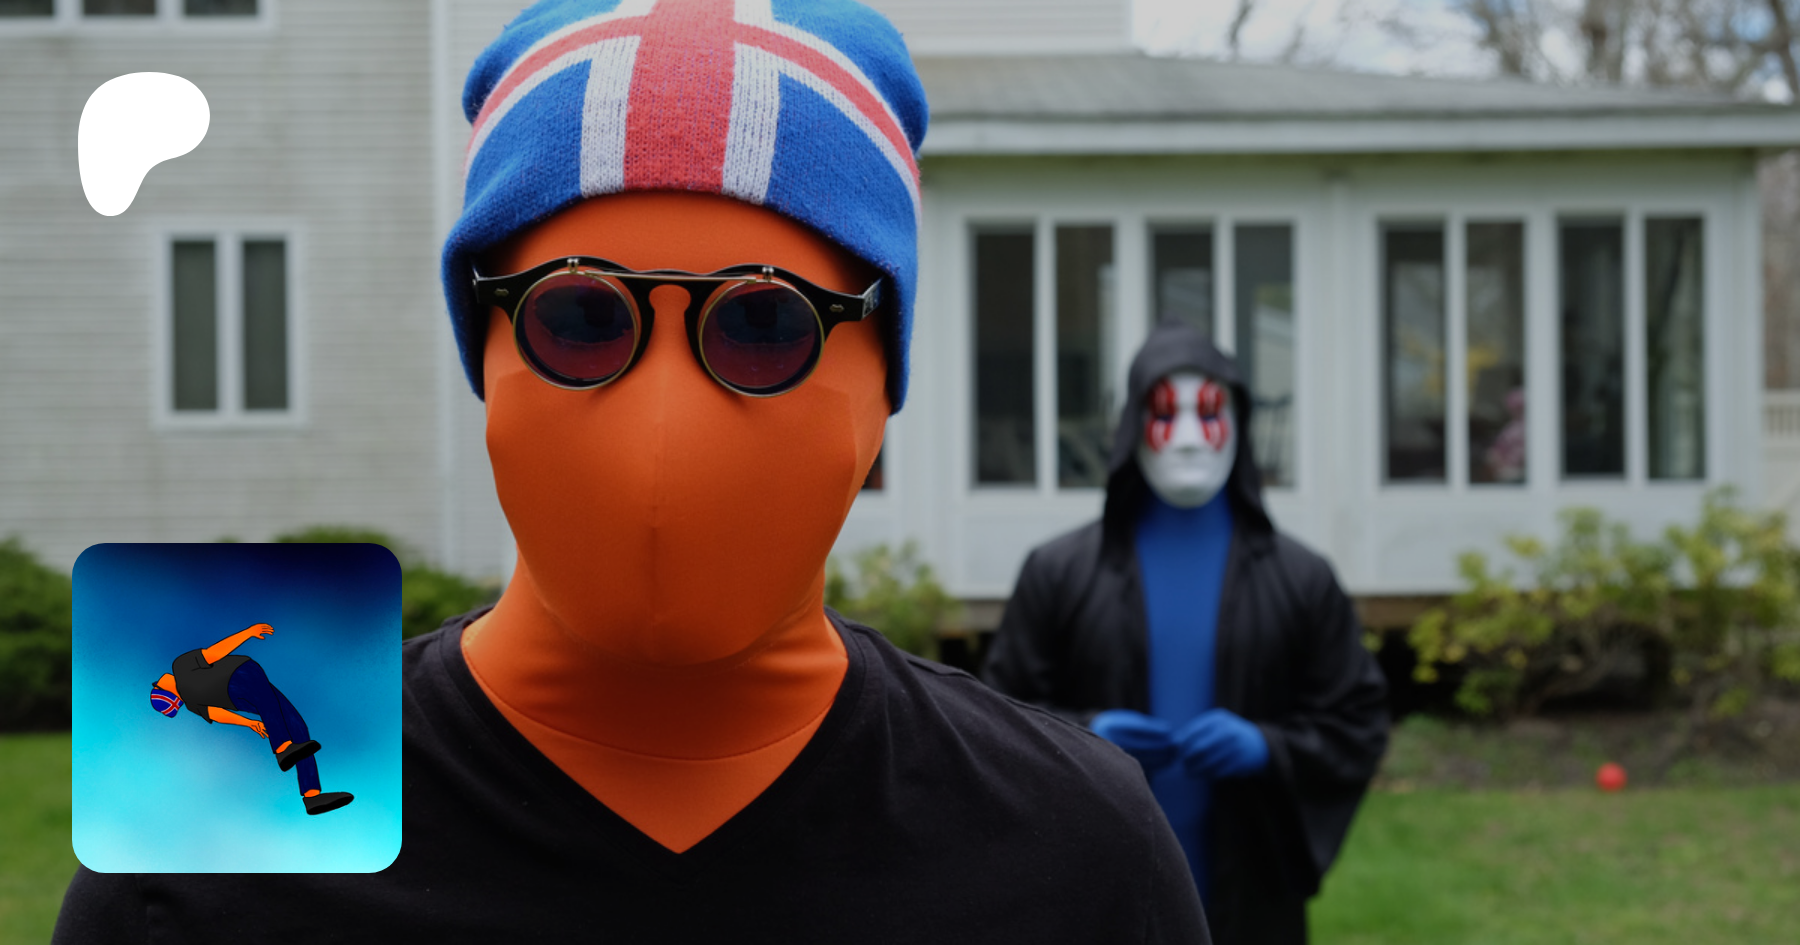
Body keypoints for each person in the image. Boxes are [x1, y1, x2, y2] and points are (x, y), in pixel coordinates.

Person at [56, 1, 1208, 941]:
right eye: (578, 317)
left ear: (883, 381)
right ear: (483, 355)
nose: (664, 427)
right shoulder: (207, 857)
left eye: (763, 324)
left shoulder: (1075, 855)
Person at [983, 320, 1390, 945]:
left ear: (1239, 422)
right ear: (1132, 426)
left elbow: (1356, 719)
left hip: (1250, 895)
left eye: (1209, 412)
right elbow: (995, 722)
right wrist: (1083, 738)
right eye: (1165, 413)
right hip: (1097, 897)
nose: (1190, 439)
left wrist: (1267, 748)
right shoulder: (1057, 573)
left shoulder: (1302, 579)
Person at [149, 622, 353, 815]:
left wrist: (248, 723)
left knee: (294, 722)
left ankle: (312, 795)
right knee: (277, 710)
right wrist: (248, 633)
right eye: (159, 684)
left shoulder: (191, 703)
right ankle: (283, 748)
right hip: (240, 675)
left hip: (238, 700)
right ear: (165, 689)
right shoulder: (180, 667)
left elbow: (217, 715)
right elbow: (214, 653)